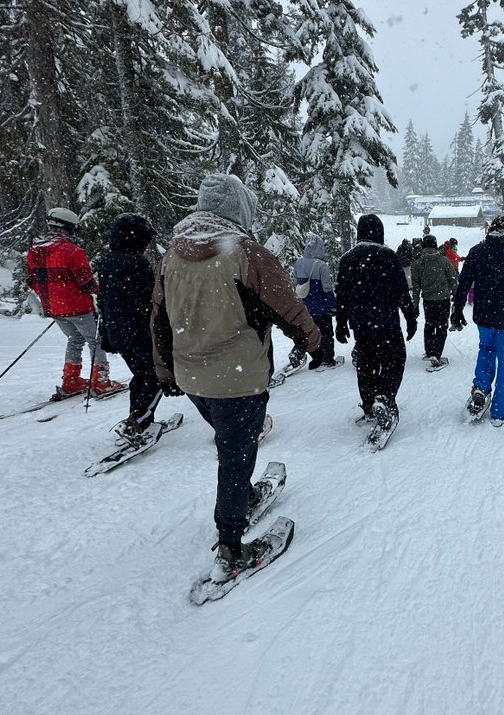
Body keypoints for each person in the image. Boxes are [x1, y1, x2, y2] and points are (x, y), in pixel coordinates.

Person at [151, 173, 321, 581]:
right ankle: (230, 547)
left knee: (232, 445)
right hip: (238, 378)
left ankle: (241, 495)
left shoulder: (172, 254)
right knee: (235, 454)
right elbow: (287, 308)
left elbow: (158, 318)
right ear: (241, 209)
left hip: (193, 379)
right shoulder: (247, 254)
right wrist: (315, 344)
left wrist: (165, 371)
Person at [26, 207, 124, 396]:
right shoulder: (72, 251)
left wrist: (53, 298)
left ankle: (71, 380)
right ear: (69, 228)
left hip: (54, 307)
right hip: (78, 306)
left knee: (74, 339)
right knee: (95, 341)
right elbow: (85, 282)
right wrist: (100, 291)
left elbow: (33, 281)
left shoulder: (34, 251)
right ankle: (101, 382)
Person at [335, 213, 416, 432]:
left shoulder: (347, 259)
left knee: (366, 364)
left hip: (360, 324)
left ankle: (370, 405)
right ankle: (385, 397)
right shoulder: (387, 255)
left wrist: (340, 323)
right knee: (395, 359)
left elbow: (341, 295)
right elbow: (401, 291)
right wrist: (410, 317)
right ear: (379, 232)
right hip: (387, 322)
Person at [451, 214, 504, 425]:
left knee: (486, 351)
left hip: (484, 318)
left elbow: (463, 283)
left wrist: (457, 310)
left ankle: (480, 389)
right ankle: (499, 410)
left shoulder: (477, 251)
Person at [97, 213, 163, 440]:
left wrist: (106, 333)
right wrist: (160, 323)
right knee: (157, 374)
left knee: (141, 374)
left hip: (118, 332)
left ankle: (137, 416)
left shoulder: (106, 262)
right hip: (138, 331)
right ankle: (141, 419)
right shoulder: (136, 262)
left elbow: (102, 300)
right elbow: (146, 300)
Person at [290, 233, 339, 369]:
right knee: (326, 333)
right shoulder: (322, 266)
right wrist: (333, 306)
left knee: (307, 332)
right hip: (321, 307)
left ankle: (300, 352)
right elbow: (327, 289)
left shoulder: (298, 263)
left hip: (305, 307)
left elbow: (295, 283)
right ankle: (328, 358)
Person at [411, 234, 457, 370]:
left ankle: (430, 350)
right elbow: (453, 280)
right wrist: (456, 296)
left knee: (430, 324)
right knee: (442, 325)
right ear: (435, 246)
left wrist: (415, 302)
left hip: (428, 300)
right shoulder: (444, 261)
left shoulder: (418, 263)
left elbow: (416, 286)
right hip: (443, 299)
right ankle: (437, 354)